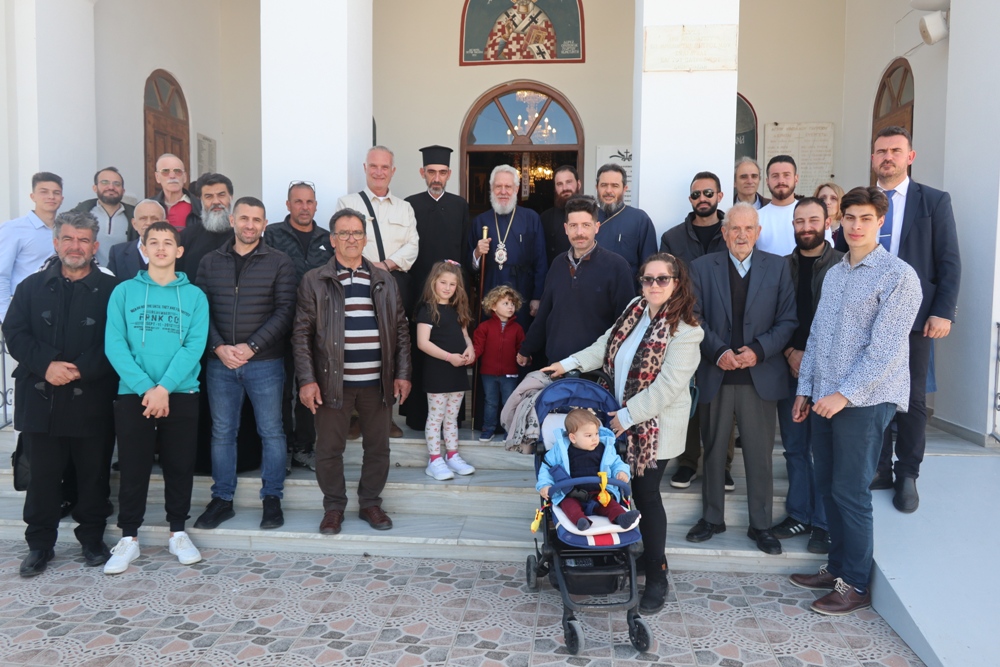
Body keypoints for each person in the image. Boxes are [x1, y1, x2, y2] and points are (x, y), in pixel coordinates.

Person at [542, 252, 704, 615]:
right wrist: (566, 364)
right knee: (622, 491)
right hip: (620, 422)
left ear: (677, 283)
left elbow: (668, 387)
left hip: (652, 429)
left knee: (646, 495)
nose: (654, 285)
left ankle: (657, 573)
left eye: (662, 279)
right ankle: (638, 555)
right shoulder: (635, 309)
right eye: (648, 279)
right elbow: (604, 346)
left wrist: (628, 416)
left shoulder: (687, 331)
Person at [789, 186, 922, 616]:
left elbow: (885, 351)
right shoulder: (835, 273)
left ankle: (856, 584)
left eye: (866, 218)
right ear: (839, 221)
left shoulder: (899, 276)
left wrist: (843, 395)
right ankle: (836, 568)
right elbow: (817, 336)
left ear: (881, 222)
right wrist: (806, 389)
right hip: (823, 397)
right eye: (850, 217)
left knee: (851, 491)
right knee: (828, 485)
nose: (857, 225)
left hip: (865, 401)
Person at [836, 126, 961, 513]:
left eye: (895, 150)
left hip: (915, 318)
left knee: (912, 397)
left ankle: (907, 473)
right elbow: (841, 250)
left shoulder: (933, 201)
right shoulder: (859, 202)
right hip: (862, 315)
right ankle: (879, 468)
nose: (887, 157)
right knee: (869, 392)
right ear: (872, 158)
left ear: (910, 156)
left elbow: (948, 260)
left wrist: (943, 311)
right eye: (880, 151)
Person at [2, 211, 119, 577]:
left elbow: (118, 340)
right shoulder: (30, 287)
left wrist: (82, 368)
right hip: (42, 398)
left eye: (83, 240)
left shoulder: (113, 290)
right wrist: (47, 364)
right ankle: (39, 545)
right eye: (68, 238)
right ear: (56, 243)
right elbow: (14, 332)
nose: (75, 246)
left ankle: (92, 539)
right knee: (42, 477)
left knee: (93, 475)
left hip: (92, 399)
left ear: (95, 247)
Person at [686, 203, 797, 555]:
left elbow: (788, 320)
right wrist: (718, 351)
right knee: (713, 450)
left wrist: (758, 351)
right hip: (716, 373)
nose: (742, 235)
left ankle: (761, 525)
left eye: (749, 228)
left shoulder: (778, 267)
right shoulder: (702, 267)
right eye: (735, 228)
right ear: (724, 232)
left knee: (759, 456)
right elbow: (693, 316)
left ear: (758, 232)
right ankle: (712, 518)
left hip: (759, 376)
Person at [292, 209, 412, 535]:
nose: (350, 239)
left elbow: (401, 329)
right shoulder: (314, 280)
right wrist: (307, 380)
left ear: (365, 238)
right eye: (343, 233)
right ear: (332, 239)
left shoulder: (384, 279)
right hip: (332, 383)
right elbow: (301, 335)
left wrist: (402, 373)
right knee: (329, 450)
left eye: (356, 232)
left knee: (378, 448)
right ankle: (333, 508)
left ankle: (370, 503)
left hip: (377, 382)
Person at [102, 222, 209, 574]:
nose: (161, 248)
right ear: (144, 249)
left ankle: (178, 532)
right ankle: (129, 538)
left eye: (168, 242)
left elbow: (194, 346)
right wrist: (147, 388)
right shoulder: (123, 292)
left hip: (181, 393)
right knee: (133, 467)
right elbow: (115, 345)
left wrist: (164, 388)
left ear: (180, 251)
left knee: (180, 466)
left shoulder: (195, 296)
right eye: (154, 242)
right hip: (134, 394)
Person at [193, 197, 297, 531]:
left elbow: (285, 311)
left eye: (256, 220)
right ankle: (222, 499)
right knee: (223, 432)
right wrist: (218, 347)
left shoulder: (279, 262)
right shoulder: (210, 261)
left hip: (265, 362)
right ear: (232, 220)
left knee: (272, 431)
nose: (250, 225)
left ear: (264, 224)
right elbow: (200, 310)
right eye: (244, 218)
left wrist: (252, 347)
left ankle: (272, 498)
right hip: (220, 363)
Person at [770, 198, 843, 555]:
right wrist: (789, 353)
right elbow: (771, 315)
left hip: (829, 372)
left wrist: (811, 359)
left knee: (825, 450)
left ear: (828, 222)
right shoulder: (781, 267)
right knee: (795, 447)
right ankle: (799, 513)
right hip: (790, 367)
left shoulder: (843, 265)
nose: (806, 227)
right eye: (799, 221)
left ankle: (824, 524)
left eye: (813, 220)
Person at [337, 145, 419, 439]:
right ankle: (354, 416)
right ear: (365, 168)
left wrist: (383, 266)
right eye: (374, 166)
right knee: (358, 344)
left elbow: (413, 246)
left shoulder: (404, 208)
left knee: (390, 345)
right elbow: (341, 241)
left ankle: (387, 415)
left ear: (393, 171)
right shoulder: (347, 202)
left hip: (393, 282)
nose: (379, 172)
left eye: (385, 167)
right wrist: (366, 267)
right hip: (355, 283)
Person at [661, 172, 735, 492]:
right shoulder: (672, 237)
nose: (702, 198)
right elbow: (666, 280)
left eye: (708, 193)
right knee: (685, 395)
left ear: (719, 195)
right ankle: (688, 462)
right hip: (684, 324)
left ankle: (722, 465)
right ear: (690, 199)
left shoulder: (732, 231)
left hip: (724, 324)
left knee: (723, 400)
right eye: (696, 194)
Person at [263, 180, 332, 473]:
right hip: (278, 324)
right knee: (281, 391)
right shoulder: (272, 234)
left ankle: (304, 448)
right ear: (288, 205)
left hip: (314, 326)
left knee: (309, 386)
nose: (304, 207)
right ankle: (283, 450)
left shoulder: (327, 238)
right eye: (298, 201)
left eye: (309, 202)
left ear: (316, 205)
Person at [519, 194, 635, 366]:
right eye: (573, 226)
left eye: (586, 225)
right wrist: (527, 348)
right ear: (566, 228)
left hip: (595, 368)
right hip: (557, 365)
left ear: (597, 227)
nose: (579, 232)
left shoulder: (617, 267)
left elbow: (626, 324)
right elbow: (544, 313)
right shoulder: (557, 264)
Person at [403, 145, 472, 432]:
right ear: (423, 172)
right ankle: (418, 417)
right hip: (419, 293)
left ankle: (451, 421)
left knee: (452, 346)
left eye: (442, 172)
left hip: (451, 295)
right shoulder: (410, 204)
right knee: (420, 353)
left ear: (449, 174)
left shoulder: (460, 205)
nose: (436, 178)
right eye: (431, 172)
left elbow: (466, 248)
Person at [415, 261, 477, 481]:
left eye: (452, 284)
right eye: (443, 282)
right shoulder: (427, 310)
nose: (448, 288)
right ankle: (434, 460)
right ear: (433, 282)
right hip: (438, 372)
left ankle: (452, 455)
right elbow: (423, 343)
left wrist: (470, 349)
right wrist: (450, 357)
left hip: (457, 373)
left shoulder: (458, 309)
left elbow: (465, 335)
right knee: (436, 417)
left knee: (452, 417)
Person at [536, 409, 641, 530]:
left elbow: (616, 463)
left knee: (611, 505)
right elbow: (547, 467)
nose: (595, 438)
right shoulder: (560, 450)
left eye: (596, 433)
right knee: (568, 505)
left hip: (600, 493)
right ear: (573, 438)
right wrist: (545, 485)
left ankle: (621, 517)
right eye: (589, 435)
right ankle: (581, 521)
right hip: (570, 493)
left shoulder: (605, 448)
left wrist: (621, 472)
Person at [470, 164, 548, 327]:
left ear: (516, 189)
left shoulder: (531, 218)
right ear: (491, 189)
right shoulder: (480, 221)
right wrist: (476, 253)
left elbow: (540, 261)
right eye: (498, 186)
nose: (503, 191)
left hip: (522, 289)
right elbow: (469, 265)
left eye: (508, 186)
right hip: (491, 286)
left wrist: (537, 296)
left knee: (520, 335)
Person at [0, 172, 64, 322]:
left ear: (62, 198)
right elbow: (1, 275)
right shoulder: (13, 229)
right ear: (32, 196)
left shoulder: (65, 231)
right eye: (44, 192)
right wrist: (7, 317)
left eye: (56, 193)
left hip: (56, 308)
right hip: (23, 308)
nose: (51, 197)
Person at [473, 285, 525, 442]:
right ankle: (488, 429)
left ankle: (510, 430)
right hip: (488, 373)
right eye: (506, 303)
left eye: (512, 304)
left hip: (510, 373)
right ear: (493, 306)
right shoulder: (484, 327)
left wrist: (525, 358)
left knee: (509, 402)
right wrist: (469, 358)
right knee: (491, 402)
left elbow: (522, 348)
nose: (510, 307)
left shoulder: (517, 329)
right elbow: (477, 347)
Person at [594, 163, 658, 280]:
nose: (608, 190)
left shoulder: (640, 219)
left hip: (627, 288)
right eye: (604, 185)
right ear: (596, 187)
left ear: (624, 189)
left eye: (615, 186)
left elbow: (649, 265)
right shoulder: (588, 219)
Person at [71, 167, 135, 267]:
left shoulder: (134, 216)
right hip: (90, 274)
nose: (111, 187)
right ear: (95, 188)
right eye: (105, 182)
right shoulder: (80, 214)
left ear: (123, 190)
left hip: (123, 275)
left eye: (117, 184)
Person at [177, 173, 234, 276]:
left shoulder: (243, 235)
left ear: (231, 197)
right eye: (208, 196)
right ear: (200, 200)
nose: (216, 201)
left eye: (221, 195)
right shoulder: (186, 237)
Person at [107, 199, 166, 280]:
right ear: (134, 224)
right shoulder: (118, 253)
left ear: (165, 223)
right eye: (143, 218)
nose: (148, 223)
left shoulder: (175, 253)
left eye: (154, 219)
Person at [755, 155, 801, 255]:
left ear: (796, 179)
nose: (781, 181)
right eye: (775, 176)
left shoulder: (810, 215)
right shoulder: (756, 217)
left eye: (786, 175)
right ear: (767, 181)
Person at [539, 165, 581, 265]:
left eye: (569, 182)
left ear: (578, 184)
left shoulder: (592, 214)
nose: (565, 188)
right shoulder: (545, 218)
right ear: (555, 188)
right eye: (559, 184)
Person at [153, 154, 201, 231]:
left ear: (185, 177)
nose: (172, 176)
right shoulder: (147, 207)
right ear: (157, 177)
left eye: (178, 171)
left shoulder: (201, 207)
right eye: (165, 171)